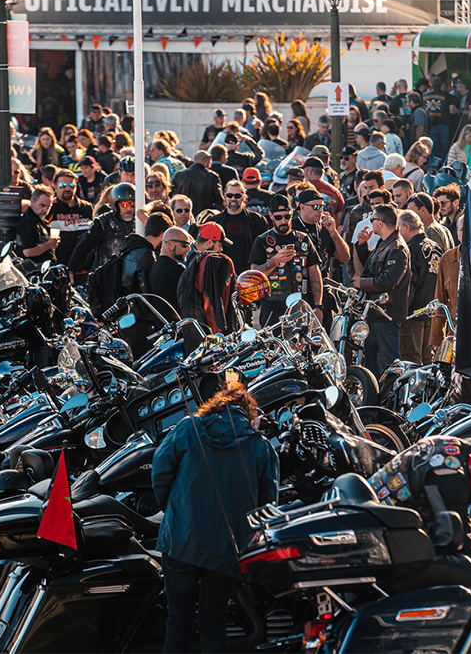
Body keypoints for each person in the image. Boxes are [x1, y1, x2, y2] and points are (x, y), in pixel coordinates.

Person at [152, 383, 278, 654]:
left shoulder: (188, 429)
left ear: (217, 404)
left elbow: (159, 470)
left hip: (180, 540)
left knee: (178, 619)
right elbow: (268, 503)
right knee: (213, 621)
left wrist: (174, 508)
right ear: (249, 414)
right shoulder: (261, 446)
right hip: (227, 549)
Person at [367, 438, 471, 569]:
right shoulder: (451, 479)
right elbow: (455, 530)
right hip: (380, 532)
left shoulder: (457, 447)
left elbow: (460, 522)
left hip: (372, 500)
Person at [352, 204, 410, 378]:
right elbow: (371, 269)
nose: (370, 223)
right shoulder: (384, 243)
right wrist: (361, 246)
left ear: (381, 223)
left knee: (388, 365)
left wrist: (361, 283)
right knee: (371, 364)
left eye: (372, 219)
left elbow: (387, 281)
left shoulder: (397, 248)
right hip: (375, 313)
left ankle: (391, 401)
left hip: (387, 314)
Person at [249, 195, 323, 325]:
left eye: (287, 216)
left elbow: (315, 274)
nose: (283, 221)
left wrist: (318, 306)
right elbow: (254, 275)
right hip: (272, 306)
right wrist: (275, 261)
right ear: (271, 216)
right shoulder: (262, 241)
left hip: (301, 305)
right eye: (278, 217)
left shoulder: (303, 239)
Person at [398, 210, 443, 365]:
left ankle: (413, 390)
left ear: (406, 227)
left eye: (399, 229)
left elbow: (409, 284)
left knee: (411, 360)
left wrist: (401, 312)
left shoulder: (409, 250)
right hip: (433, 312)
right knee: (428, 360)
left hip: (413, 314)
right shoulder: (437, 247)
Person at [68, 184, 136, 278]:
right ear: (116, 204)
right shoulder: (103, 222)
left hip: (134, 275)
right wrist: (71, 269)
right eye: (125, 204)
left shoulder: (139, 222)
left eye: (132, 204)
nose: (129, 209)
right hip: (107, 276)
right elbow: (83, 246)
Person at [209, 180, 269, 273]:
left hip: (248, 273)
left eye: (237, 196)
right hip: (222, 273)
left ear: (244, 197)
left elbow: (265, 248)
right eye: (229, 195)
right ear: (225, 196)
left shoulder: (257, 220)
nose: (233, 198)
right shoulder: (215, 222)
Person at [48, 169, 94, 267]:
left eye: (71, 185)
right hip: (60, 264)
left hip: (85, 263)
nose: (67, 189)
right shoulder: (49, 207)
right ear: (55, 187)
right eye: (63, 186)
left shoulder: (87, 207)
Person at [150, 227, 192, 312]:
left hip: (160, 322)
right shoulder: (177, 270)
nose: (189, 249)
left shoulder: (154, 266)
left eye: (189, 245)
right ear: (170, 244)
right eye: (185, 245)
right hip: (174, 322)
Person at [172, 150, 223, 217]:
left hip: (183, 215)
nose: (210, 166)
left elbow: (173, 196)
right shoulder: (212, 176)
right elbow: (219, 200)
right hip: (205, 216)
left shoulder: (179, 175)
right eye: (209, 162)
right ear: (205, 161)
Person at [17, 186, 58, 265]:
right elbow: (28, 252)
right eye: (42, 205)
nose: (45, 210)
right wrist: (49, 244)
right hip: (33, 270)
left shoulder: (38, 219)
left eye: (48, 207)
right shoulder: (29, 221)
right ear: (32, 201)